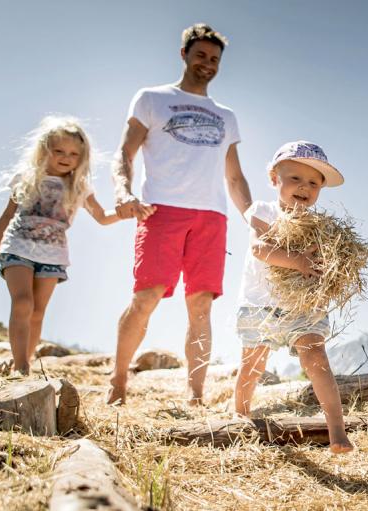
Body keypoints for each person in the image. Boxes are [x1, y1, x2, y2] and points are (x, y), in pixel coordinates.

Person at [108, 23, 253, 405]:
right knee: (146, 296)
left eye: (215, 59)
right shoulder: (152, 99)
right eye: (201, 55)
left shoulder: (226, 116)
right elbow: (124, 153)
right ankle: (118, 381)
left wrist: (255, 219)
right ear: (184, 55)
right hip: (161, 210)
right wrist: (122, 191)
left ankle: (195, 394)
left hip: (211, 216)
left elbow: (235, 176)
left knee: (201, 304)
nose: (208, 64)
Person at [0, 116, 133, 375]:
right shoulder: (27, 178)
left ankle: (24, 362)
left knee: (38, 312)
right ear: (45, 150)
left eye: (74, 153)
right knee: (22, 303)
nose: (66, 157)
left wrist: (123, 212)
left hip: (53, 255)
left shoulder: (79, 186)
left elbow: (101, 217)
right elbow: (7, 215)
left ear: (82, 157)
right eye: (59, 151)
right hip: (18, 247)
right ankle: (20, 366)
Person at [233, 141, 353, 453]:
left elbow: (329, 266)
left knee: (317, 359)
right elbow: (259, 249)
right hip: (261, 305)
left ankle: (337, 431)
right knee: (253, 365)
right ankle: (239, 416)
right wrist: (298, 260)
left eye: (314, 182)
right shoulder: (263, 211)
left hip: (303, 308)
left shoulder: (320, 227)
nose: (304, 187)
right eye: (295, 179)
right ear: (275, 179)